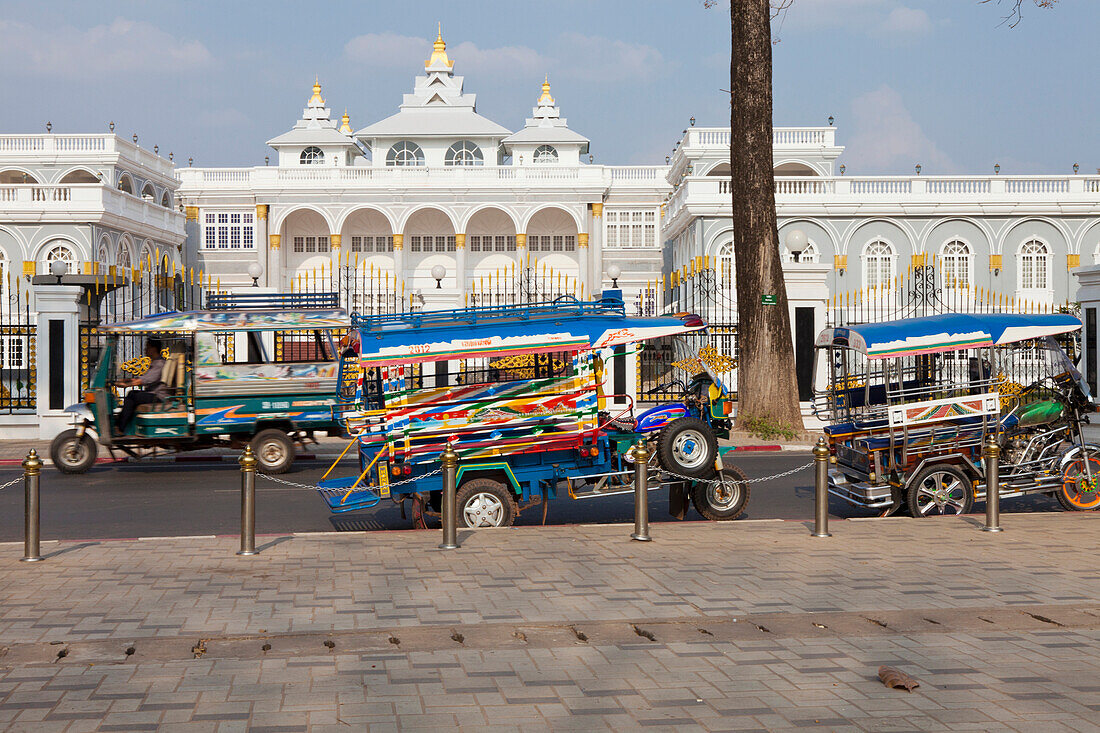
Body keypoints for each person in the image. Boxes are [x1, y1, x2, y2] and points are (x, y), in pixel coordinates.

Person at [116, 339, 169, 434]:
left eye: (147, 347)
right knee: (133, 395)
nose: (145, 350)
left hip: (158, 396)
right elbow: (142, 378)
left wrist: (127, 385)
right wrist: (124, 381)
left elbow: (145, 380)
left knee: (132, 396)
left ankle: (120, 428)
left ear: (154, 349)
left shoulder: (159, 364)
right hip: (152, 394)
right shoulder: (155, 363)